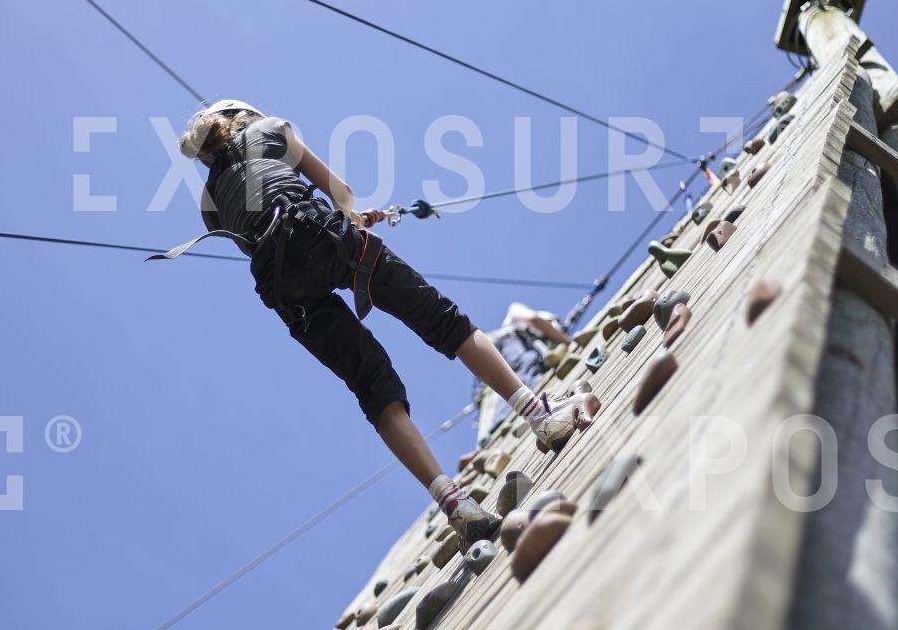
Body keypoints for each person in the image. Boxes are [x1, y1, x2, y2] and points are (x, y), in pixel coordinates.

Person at [172, 100, 601, 547]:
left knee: (370, 384)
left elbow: (256, 242)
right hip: (322, 233)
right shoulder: (275, 130)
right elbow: (340, 190)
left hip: (282, 285)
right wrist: (352, 215)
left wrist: (337, 224)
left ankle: (454, 504)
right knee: (442, 320)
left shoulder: (209, 202)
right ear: (248, 116)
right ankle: (540, 417)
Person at [474, 303, 571, 445]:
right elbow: (533, 318)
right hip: (512, 345)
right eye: (550, 324)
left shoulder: (534, 345)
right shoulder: (515, 318)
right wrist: (567, 341)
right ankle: (500, 429)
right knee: (521, 369)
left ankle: (497, 436)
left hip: (525, 368)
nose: (553, 329)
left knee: (527, 370)